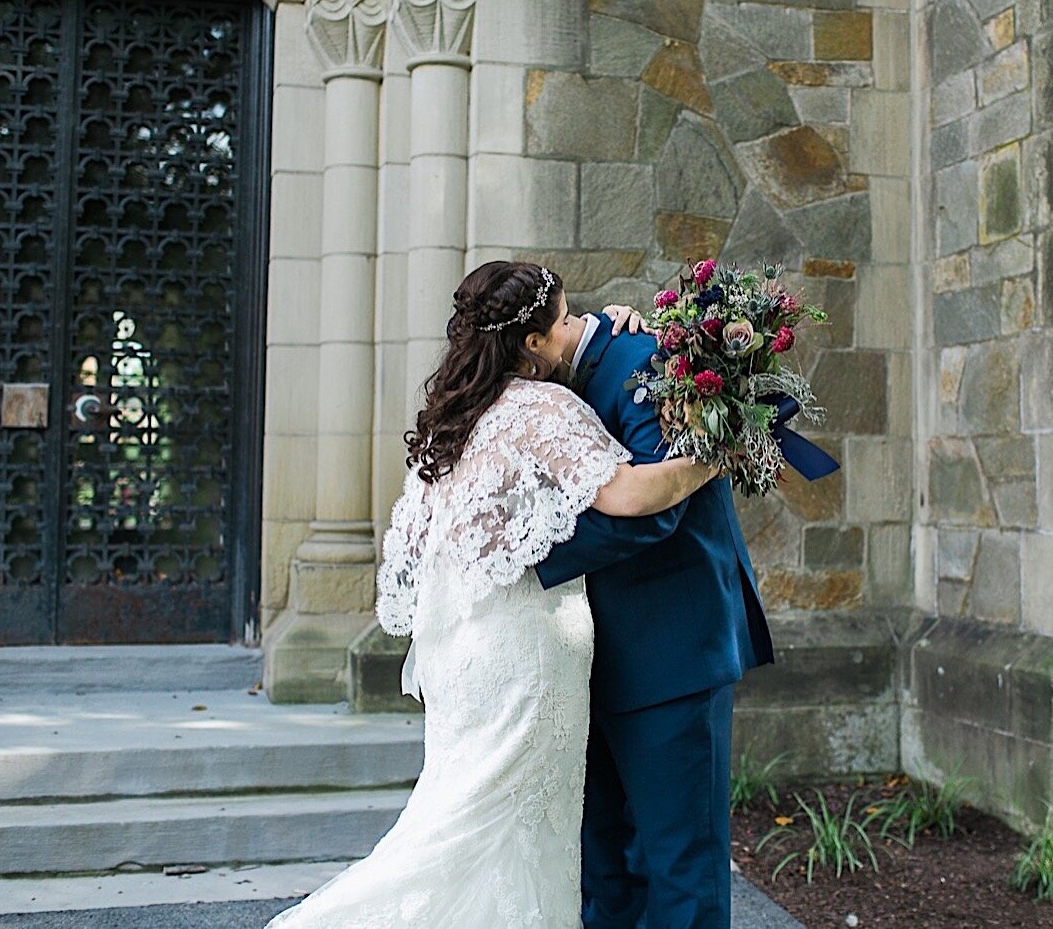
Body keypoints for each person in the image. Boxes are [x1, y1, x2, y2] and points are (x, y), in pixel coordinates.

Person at [265, 261, 717, 928]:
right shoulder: (543, 407)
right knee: (506, 827)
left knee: (464, 816)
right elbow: (632, 494)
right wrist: (718, 450)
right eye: (564, 319)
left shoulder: (452, 417)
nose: (579, 326)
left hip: (463, 651)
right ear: (532, 342)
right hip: (526, 652)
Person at [535, 298, 774, 928]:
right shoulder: (586, 364)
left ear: (536, 341)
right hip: (592, 656)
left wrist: (527, 554)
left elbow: (660, 511)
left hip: (672, 651)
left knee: (681, 867)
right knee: (606, 865)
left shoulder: (641, 361)